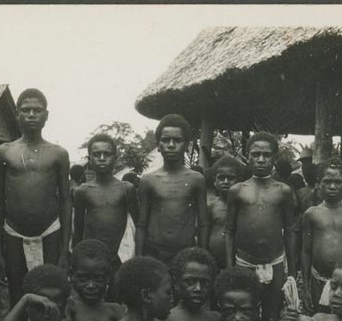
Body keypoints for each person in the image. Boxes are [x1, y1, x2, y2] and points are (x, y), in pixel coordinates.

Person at [0, 88, 72, 305]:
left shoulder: (59, 154)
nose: (32, 114)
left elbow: (65, 200)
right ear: (17, 115)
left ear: (46, 115)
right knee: (17, 294)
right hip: (13, 231)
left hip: (50, 230)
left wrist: (65, 250)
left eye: (37, 110)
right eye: (26, 110)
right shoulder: (3, 152)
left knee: (53, 292)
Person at [225, 132, 297, 321]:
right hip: (244, 263)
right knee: (246, 317)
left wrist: (292, 271)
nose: (261, 159)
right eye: (255, 154)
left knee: (271, 319)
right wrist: (230, 268)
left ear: (275, 158)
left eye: (267, 155)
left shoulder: (283, 191)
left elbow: (290, 230)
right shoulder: (237, 190)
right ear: (247, 157)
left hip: (274, 262)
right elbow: (230, 231)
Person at [135, 114, 209, 265]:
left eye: (177, 140)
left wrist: (204, 258)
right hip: (154, 253)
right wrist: (139, 259)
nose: (171, 145)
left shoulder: (196, 180)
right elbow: (141, 224)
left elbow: (203, 224)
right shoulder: (148, 180)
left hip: (186, 253)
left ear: (186, 144)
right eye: (165, 140)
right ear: (158, 145)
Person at [301, 157, 342, 312]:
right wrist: (306, 286)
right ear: (319, 184)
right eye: (327, 182)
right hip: (318, 279)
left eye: (338, 182)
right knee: (319, 319)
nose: (332, 186)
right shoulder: (312, 214)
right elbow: (306, 251)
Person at [72, 134, 138, 263]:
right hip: (92, 257)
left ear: (115, 158)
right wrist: (75, 259)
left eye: (107, 154)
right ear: (89, 159)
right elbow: (78, 230)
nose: (102, 158)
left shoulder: (126, 189)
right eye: (96, 154)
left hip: (120, 257)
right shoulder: (83, 191)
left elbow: (138, 227)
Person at [207, 157, 242, 271]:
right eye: (221, 178)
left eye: (231, 178)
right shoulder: (211, 206)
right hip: (215, 260)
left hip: (241, 260)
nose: (226, 182)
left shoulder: (244, 207)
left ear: (239, 181)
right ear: (214, 182)